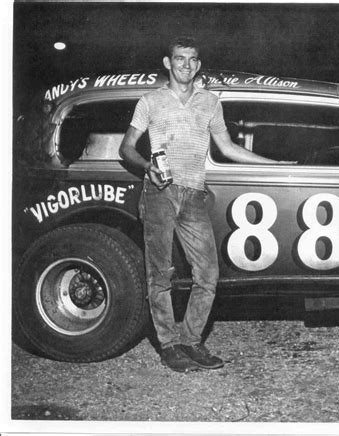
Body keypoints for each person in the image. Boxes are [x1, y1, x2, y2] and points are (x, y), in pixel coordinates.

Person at [119, 36, 287, 373]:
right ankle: (169, 346)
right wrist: (146, 167)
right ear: (168, 63)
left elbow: (228, 148)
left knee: (208, 273)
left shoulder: (210, 102)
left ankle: (191, 340)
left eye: (192, 59)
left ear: (198, 65)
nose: (186, 65)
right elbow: (126, 147)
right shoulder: (150, 101)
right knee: (160, 274)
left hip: (194, 194)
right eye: (179, 59)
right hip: (159, 194)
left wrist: (274, 163)